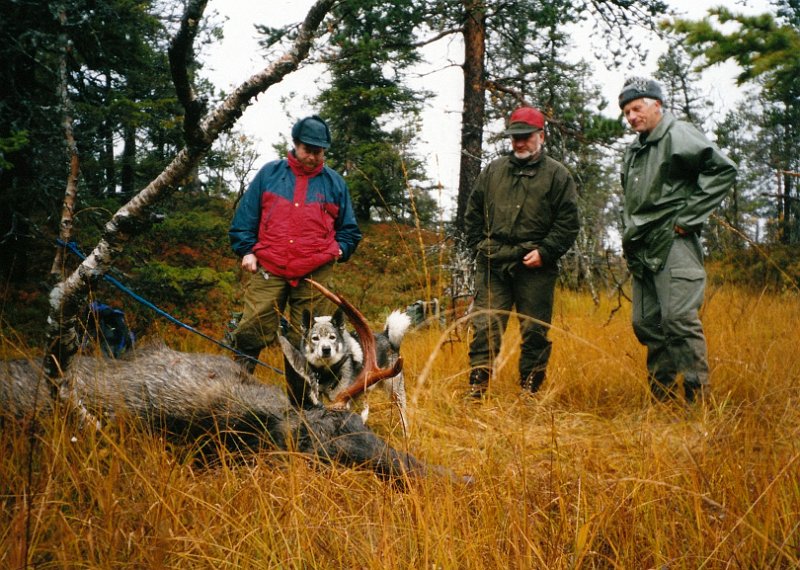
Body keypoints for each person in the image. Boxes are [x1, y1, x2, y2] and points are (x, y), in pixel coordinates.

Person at [618, 77, 737, 403]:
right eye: (626, 112)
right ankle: (663, 401)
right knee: (647, 324)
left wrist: (688, 219)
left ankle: (699, 404)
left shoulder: (678, 134)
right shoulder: (635, 150)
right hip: (642, 247)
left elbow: (723, 169)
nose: (631, 117)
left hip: (673, 243)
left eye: (636, 108)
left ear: (657, 105)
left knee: (679, 321)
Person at [228, 114, 362, 381]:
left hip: (316, 271)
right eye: (307, 150)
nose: (312, 156)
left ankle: (304, 397)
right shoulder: (269, 174)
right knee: (251, 328)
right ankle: (237, 388)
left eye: (318, 151)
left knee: (310, 335)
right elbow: (245, 218)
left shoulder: (335, 183)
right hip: (270, 266)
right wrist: (247, 250)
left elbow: (350, 231)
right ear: (295, 145)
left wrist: (339, 250)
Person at [464, 106, 580, 398]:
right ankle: (477, 389)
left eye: (526, 136)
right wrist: (480, 247)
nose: (519, 143)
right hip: (493, 265)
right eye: (515, 137)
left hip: (535, 267)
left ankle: (530, 393)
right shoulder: (493, 171)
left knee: (535, 332)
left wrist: (545, 252)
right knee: (485, 328)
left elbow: (568, 224)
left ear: (541, 136)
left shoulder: (558, 175)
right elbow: (473, 212)